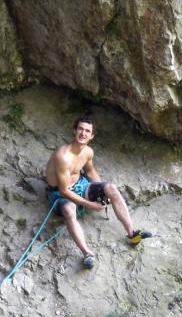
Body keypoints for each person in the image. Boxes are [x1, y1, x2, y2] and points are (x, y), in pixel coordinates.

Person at [44, 114, 154, 269]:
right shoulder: (63, 156)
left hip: (80, 185)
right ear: (74, 131)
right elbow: (63, 189)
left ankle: (132, 233)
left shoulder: (88, 152)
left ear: (92, 136)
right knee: (69, 210)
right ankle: (87, 253)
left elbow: (90, 171)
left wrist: (104, 191)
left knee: (111, 188)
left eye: (87, 131)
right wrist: (90, 204)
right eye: (80, 129)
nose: (83, 133)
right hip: (59, 192)